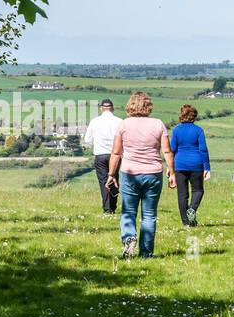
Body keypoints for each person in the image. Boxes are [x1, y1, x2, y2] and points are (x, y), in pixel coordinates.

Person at [106, 91, 174, 258]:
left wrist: (111, 174)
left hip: (129, 173)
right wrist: (171, 171)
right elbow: (166, 150)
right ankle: (146, 253)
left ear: (130, 106)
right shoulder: (158, 124)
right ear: (148, 106)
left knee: (128, 211)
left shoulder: (123, 125)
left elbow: (116, 153)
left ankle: (129, 238)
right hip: (153, 173)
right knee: (149, 215)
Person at [170, 104, 210, 227]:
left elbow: (172, 149)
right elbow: (203, 149)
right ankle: (192, 209)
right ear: (194, 116)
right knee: (198, 190)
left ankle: (185, 223)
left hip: (179, 164)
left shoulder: (176, 130)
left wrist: (170, 168)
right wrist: (207, 167)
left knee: (182, 194)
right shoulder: (198, 130)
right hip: (196, 164)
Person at [82, 98, 122, 213]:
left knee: (103, 181)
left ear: (101, 109)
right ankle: (113, 207)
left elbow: (88, 140)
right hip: (115, 154)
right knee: (114, 178)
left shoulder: (95, 121)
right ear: (112, 108)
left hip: (100, 155)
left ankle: (107, 209)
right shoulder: (119, 121)